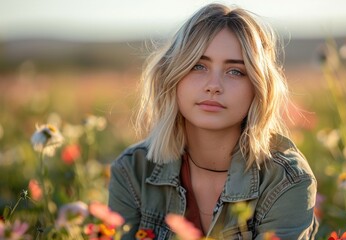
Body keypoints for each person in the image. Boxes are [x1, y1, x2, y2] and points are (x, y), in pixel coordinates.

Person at [108, 3, 318, 240]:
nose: (213, 86)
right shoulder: (132, 171)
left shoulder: (285, 180)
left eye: (235, 71)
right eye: (198, 65)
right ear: (172, 75)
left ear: (258, 87)